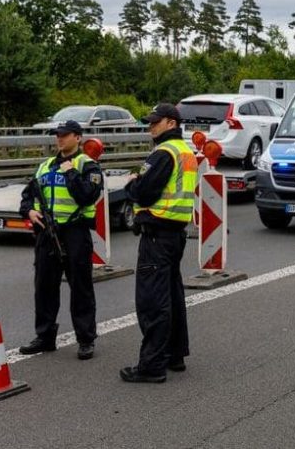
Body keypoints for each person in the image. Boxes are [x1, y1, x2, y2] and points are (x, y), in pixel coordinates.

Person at [120, 103, 198, 383]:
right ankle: (174, 355)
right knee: (172, 297)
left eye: (155, 122)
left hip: (157, 234)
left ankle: (152, 365)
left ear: (171, 123)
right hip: (175, 234)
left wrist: (132, 182)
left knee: (153, 300)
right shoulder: (184, 151)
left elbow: (143, 192)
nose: (150, 127)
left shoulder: (164, 152)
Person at [18, 120, 103, 360]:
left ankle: (85, 339)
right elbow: (28, 195)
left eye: (65, 135)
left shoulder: (88, 165)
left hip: (75, 232)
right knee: (44, 287)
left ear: (78, 138)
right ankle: (45, 337)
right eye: (57, 135)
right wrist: (28, 211)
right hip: (47, 233)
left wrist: (70, 171)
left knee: (81, 288)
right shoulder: (45, 166)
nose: (60, 139)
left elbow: (87, 196)